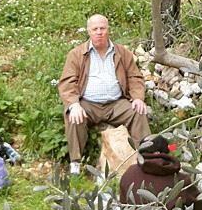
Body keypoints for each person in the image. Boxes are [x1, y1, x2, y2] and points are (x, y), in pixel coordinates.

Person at [58, 14, 150, 175]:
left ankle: (148, 156)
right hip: (88, 103)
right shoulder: (77, 54)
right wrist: (74, 104)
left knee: (138, 112)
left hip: (116, 103)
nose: (99, 32)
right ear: (89, 31)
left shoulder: (122, 53)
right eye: (95, 29)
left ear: (108, 30)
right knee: (73, 116)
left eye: (102, 28)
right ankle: (75, 163)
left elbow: (135, 77)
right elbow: (67, 82)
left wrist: (137, 98)